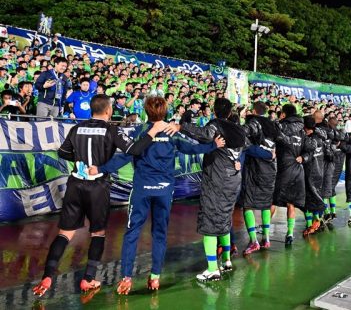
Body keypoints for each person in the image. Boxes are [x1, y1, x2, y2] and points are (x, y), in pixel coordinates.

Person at [32, 94, 170, 297]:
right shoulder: (111, 129)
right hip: (97, 186)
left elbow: (62, 152)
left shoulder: (77, 127)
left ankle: (48, 276)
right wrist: (153, 132)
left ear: (91, 110)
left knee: (65, 233)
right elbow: (135, 149)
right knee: (98, 233)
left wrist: (79, 159)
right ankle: (88, 279)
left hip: (75, 185)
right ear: (108, 111)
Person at [89, 97, 225, 294]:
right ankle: (155, 277)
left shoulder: (141, 132)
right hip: (164, 190)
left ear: (145, 110)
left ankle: (126, 278)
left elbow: (126, 156)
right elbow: (193, 149)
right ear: (165, 110)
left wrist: (100, 169)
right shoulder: (171, 132)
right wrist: (214, 145)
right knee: (159, 233)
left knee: (132, 232)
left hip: (142, 189)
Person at [170, 98, 247, 282]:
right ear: (230, 112)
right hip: (234, 179)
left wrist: (182, 126)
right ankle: (227, 260)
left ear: (214, 111)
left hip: (217, 181)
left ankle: (213, 268)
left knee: (210, 224)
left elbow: (204, 135)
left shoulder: (216, 126)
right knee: (224, 218)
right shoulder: (239, 129)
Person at [272, 104, 314, 246]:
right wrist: (304, 158)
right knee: (291, 204)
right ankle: (289, 233)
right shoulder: (302, 131)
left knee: (272, 201)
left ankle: (265, 233)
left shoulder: (280, 127)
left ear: (284, 114)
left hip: (283, 170)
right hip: (298, 171)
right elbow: (310, 149)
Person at [239, 101, 278, 255]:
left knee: (247, 205)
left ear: (254, 111)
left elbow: (241, 136)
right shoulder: (274, 125)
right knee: (266, 204)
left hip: (255, 170)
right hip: (271, 170)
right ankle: (266, 238)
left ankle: (254, 241)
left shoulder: (254, 123)